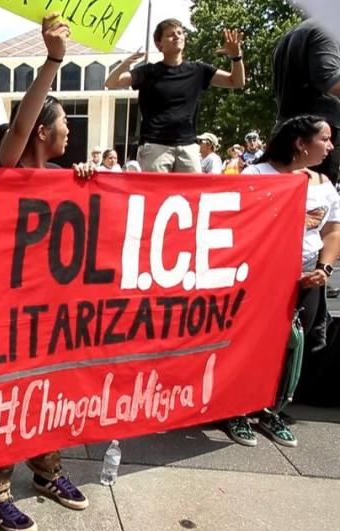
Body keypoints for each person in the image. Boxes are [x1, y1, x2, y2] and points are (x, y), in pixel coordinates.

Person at [0, 15, 92, 531]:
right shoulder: (12, 165)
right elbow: (21, 123)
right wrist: (52, 60)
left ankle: (46, 470)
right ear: (44, 132)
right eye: (65, 122)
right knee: (7, 396)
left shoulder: (65, 178)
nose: (72, 130)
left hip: (51, 308)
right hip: (5, 310)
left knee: (49, 391)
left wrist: (85, 184)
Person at [224, 115, 339, 448]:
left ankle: (271, 410)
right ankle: (236, 410)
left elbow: (332, 231)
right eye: (325, 138)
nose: (331, 146)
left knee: (292, 349)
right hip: (261, 280)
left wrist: (324, 270)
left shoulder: (324, 184)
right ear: (301, 143)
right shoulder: (256, 175)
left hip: (307, 279)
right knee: (249, 343)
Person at [105, 20, 245, 172]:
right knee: (155, 194)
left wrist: (236, 58)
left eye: (179, 33)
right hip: (155, 146)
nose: (177, 37)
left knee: (191, 195)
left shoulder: (198, 70)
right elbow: (111, 83)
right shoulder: (148, 72)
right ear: (159, 45)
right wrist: (125, 64)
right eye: (170, 35)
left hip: (188, 146)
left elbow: (236, 81)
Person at [273, 19, 340, 185]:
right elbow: (331, 82)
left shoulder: (292, 34)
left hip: (292, 134)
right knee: (316, 206)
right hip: (315, 138)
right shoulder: (326, 30)